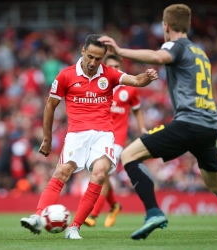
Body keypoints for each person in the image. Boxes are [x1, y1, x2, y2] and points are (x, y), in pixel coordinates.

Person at [98, 4, 217, 244]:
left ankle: (154, 213)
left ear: (166, 26)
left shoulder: (175, 46)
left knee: (128, 155)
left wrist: (120, 51)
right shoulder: (200, 53)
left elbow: (160, 57)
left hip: (188, 123)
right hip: (209, 127)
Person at [20, 34, 158, 240]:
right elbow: (50, 106)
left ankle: (74, 227)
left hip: (103, 133)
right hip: (76, 134)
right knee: (62, 172)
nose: (93, 62)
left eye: (98, 59)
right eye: (90, 57)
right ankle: (38, 217)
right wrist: (47, 139)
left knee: (100, 174)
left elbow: (136, 80)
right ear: (83, 51)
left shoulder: (110, 74)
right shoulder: (66, 75)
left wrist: (146, 77)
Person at [84, 54, 147, 228]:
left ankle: (93, 215)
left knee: (101, 174)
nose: (112, 68)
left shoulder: (130, 89)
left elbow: (138, 110)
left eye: (116, 66)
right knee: (102, 175)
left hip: (117, 139)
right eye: (109, 65)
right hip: (98, 137)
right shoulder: (98, 86)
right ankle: (114, 206)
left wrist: (142, 128)